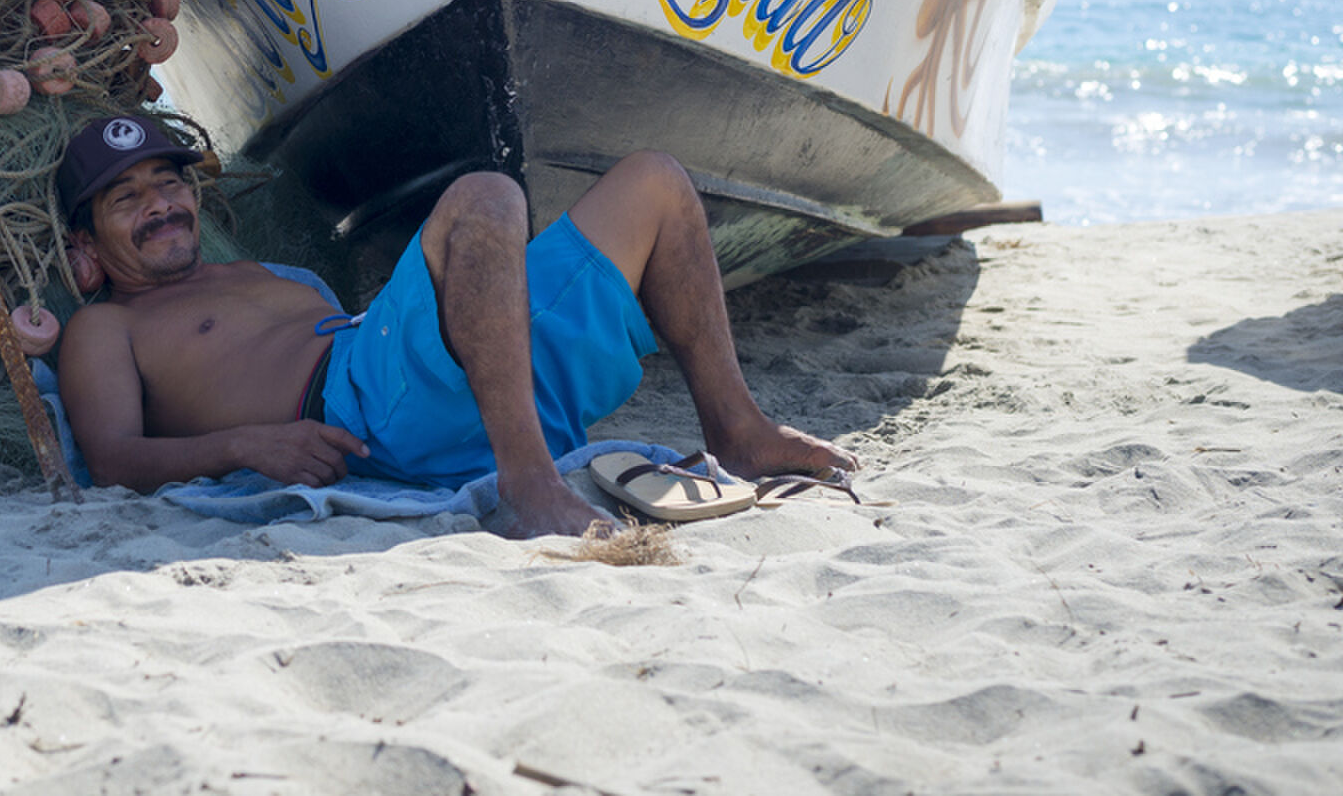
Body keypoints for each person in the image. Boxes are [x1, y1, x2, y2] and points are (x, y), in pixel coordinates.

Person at [52, 114, 859, 539]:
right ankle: (528, 487)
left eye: (168, 184)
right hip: (366, 404)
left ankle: (740, 429)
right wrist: (244, 446)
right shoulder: (106, 326)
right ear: (86, 249)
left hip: (454, 371)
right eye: (129, 200)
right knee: (484, 195)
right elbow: (113, 459)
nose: (161, 204)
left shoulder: (261, 276)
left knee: (656, 182)